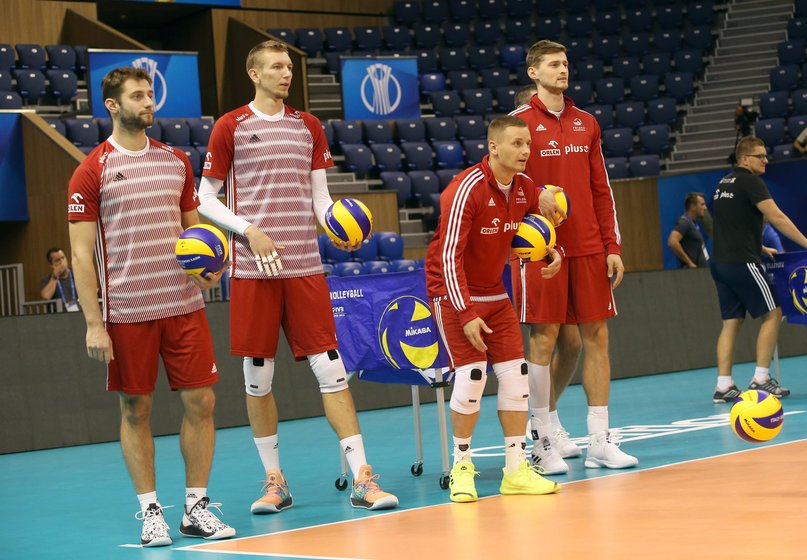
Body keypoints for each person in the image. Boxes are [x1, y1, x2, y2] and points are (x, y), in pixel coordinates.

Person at [197, 40, 398, 513]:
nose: (285, 73)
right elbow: (205, 197)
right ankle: (274, 482)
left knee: (332, 370)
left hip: (305, 267)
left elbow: (321, 199)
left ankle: (362, 479)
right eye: (275, 67)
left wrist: (337, 227)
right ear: (253, 73)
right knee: (257, 378)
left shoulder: (308, 126)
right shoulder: (231, 126)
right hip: (253, 270)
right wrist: (249, 231)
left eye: (288, 66)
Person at [68, 67, 234, 547]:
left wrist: (208, 267)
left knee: (202, 402)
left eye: (149, 94)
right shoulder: (90, 171)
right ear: (113, 106)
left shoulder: (177, 161)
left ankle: (196, 508)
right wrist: (94, 323)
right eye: (137, 96)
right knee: (135, 409)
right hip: (126, 312)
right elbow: (81, 255)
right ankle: (150, 512)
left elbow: (193, 233)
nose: (149, 102)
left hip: (183, 305)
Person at [510, 39, 639, 473]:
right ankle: (543, 440)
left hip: (587, 246)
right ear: (534, 72)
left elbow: (602, 189)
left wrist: (612, 245)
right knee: (545, 340)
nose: (562, 70)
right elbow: (503, 182)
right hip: (540, 248)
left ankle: (600, 441)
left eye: (565, 63)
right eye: (552, 64)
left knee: (597, 338)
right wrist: (536, 195)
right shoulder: (518, 123)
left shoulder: (588, 123)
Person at [425, 115, 563, 503]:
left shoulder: (524, 188)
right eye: (517, 144)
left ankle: (516, 470)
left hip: (494, 293)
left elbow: (538, 227)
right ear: (493, 147)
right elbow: (448, 257)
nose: (525, 151)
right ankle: (461, 468)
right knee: (471, 379)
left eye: (528, 145)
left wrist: (553, 252)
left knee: (517, 379)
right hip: (453, 293)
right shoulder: (464, 189)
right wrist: (465, 312)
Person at [710, 136, 807, 403]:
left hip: (720, 263)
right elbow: (776, 217)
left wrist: (760, 247)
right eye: (759, 156)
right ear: (744, 159)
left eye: (766, 155)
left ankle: (723, 386)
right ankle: (761, 379)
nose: (765, 160)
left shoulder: (723, 183)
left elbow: (731, 222)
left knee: (731, 322)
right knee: (773, 314)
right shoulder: (752, 182)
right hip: (742, 262)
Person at [667, 192, 709, 268]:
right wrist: (689, 262)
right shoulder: (684, 222)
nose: (705, 208)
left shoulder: (693, 224)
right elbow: (672, 242)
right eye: (702, 204)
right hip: (692, 274)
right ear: (693, 206)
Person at [39, 247, 80, 311]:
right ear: (51, 265)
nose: (62, 261)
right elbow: (46, 296)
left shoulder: (76, 274)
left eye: (63, 258)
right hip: (59, 318)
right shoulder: (47, 279)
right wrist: (55, 277)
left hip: (79, 314)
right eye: (57, 260)